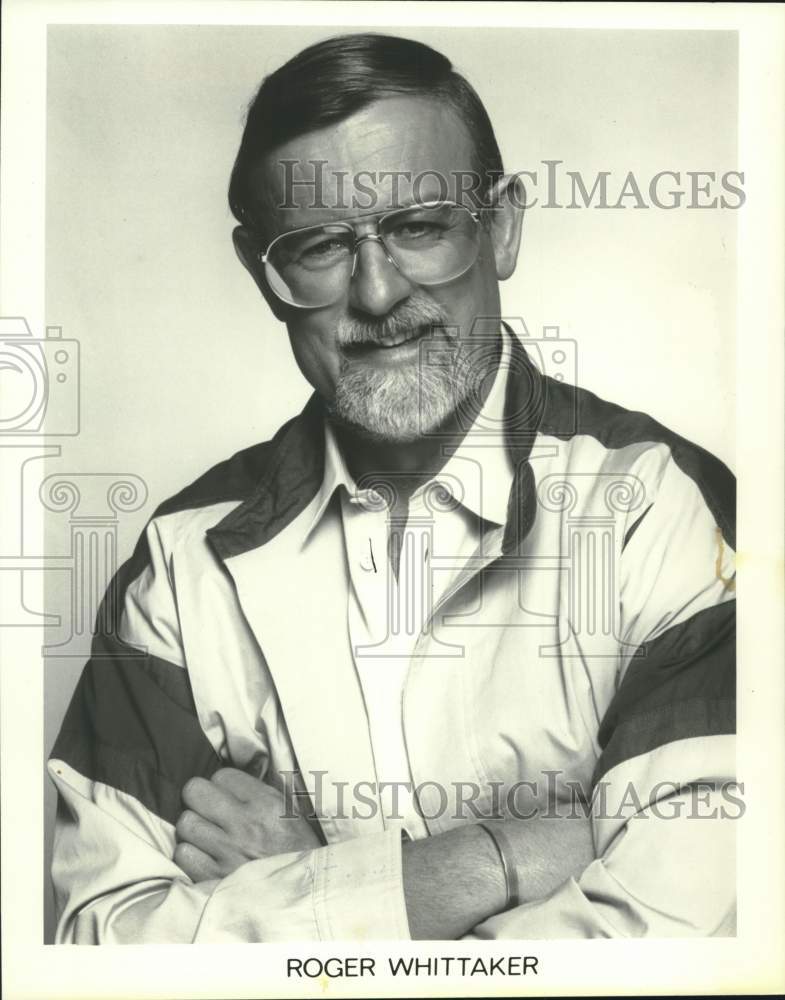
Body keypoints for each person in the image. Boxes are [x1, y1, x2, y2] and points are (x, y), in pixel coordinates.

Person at [48, 32, 736, 943]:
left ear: (503, 227)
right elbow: (101, 940)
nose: (377, 292)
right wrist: (506, 857)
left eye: (419, 227)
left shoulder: (658, 502)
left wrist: (312, 889)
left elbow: (693, 921)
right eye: (320, 245)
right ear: (261, 271)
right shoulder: (181, 563)